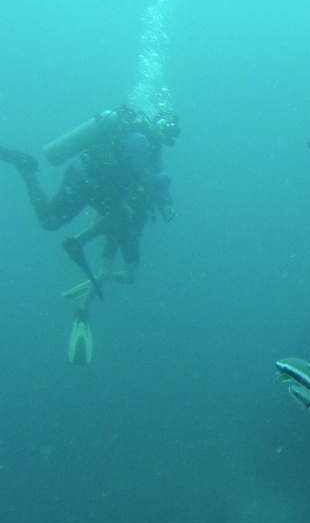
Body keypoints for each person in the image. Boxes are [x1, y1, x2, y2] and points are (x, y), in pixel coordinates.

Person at [0, 105, 179, 363]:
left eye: (172, 131)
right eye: (166, 128)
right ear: (156, 122)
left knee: (123, 215)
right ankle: (25, 167)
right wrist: (165, 182)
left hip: (104, 187)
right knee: (50, 222)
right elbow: (146, 175)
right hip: (84, 178)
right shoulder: (138, 139)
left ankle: (79, 244)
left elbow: (151, 174)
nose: (168, 134)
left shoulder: (153, 146)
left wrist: (166, 203)